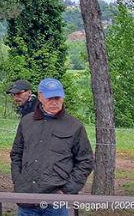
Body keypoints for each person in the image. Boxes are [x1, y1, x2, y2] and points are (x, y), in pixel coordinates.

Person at [10, 78, 94, 216]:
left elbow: (86, 161)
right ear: (41, 97)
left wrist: (67, 190)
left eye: (58, 97)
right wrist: (19, 183)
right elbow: (16, 154)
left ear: (63, 97)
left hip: (56, 201)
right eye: (50, 98)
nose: (54, 102)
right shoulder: (26, 122)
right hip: (27, 198)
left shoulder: (75, 126)